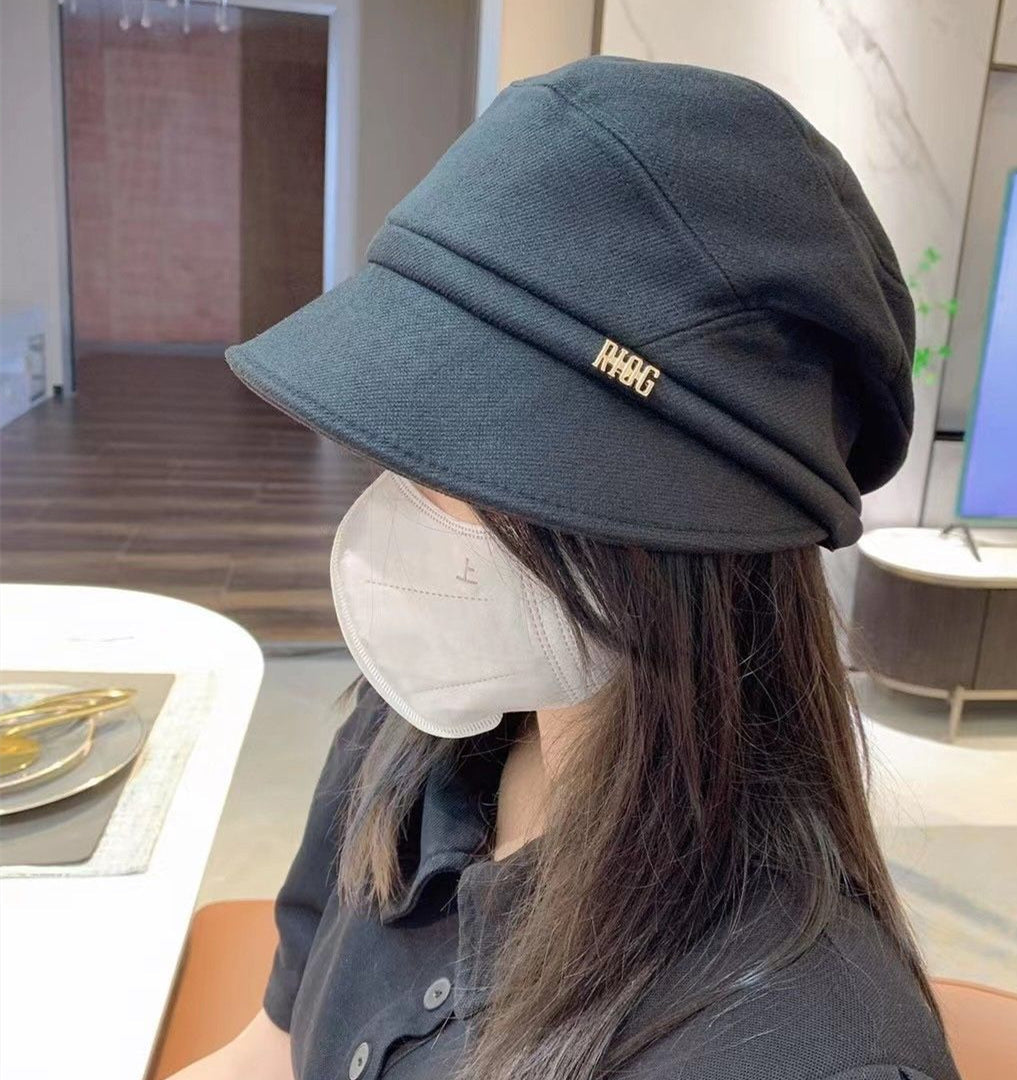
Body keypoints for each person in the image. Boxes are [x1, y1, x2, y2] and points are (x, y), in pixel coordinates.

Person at [175, 56, 960, 1080]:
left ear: (660, 529)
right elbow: (269, 1051)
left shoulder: (797, 1050)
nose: (391, 506)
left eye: (454, 453)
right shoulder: (402, 740)